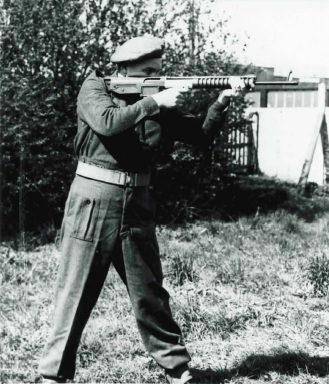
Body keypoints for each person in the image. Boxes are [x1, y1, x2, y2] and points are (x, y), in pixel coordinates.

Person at [38, 36, 245, 384]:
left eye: (158, 72)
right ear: (124, 68)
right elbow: (107, 122)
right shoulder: (96, 87)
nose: (156, 77)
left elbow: (198, 135)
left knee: (149, 290)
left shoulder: (157, 98)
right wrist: (153, 102)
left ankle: (177, 369)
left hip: (137, 202)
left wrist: (222, 101)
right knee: (76, 289)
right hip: (94, 198)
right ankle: (53, 374)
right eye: (148, 71)